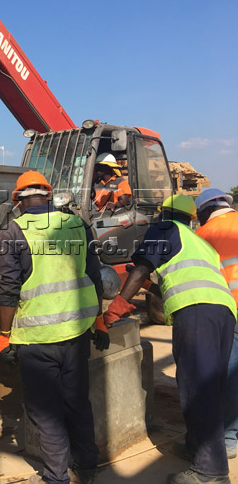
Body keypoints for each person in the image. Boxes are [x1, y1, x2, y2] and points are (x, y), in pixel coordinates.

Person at [105, 194, 236, 484]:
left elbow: (139, 269)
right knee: (210, 386)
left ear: (163, 214)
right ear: (192, 217)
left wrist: (118, 306)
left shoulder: (164, 229)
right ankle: (198, 448)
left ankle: (210, 472)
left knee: (198, 388)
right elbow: (177, 282)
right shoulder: (198, 242)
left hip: (197, 312)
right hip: (223, 313)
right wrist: (151, 284)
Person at [0, 170, 107, 484]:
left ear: (18, 200)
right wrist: (99, 322)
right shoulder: (78, 225)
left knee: (46, 412)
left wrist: (5, 337)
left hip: (36, 338)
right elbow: (95, 276)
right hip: (75, 333)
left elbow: (8, 290)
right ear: (49, 195)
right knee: (77, 402)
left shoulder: (12, 232)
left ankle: (56, 477)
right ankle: (86, 468)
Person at [195, 189, 238, 461]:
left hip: (230, 310)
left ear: (202, 212)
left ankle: (228, 438)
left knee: (230, 375)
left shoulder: (202, 236)